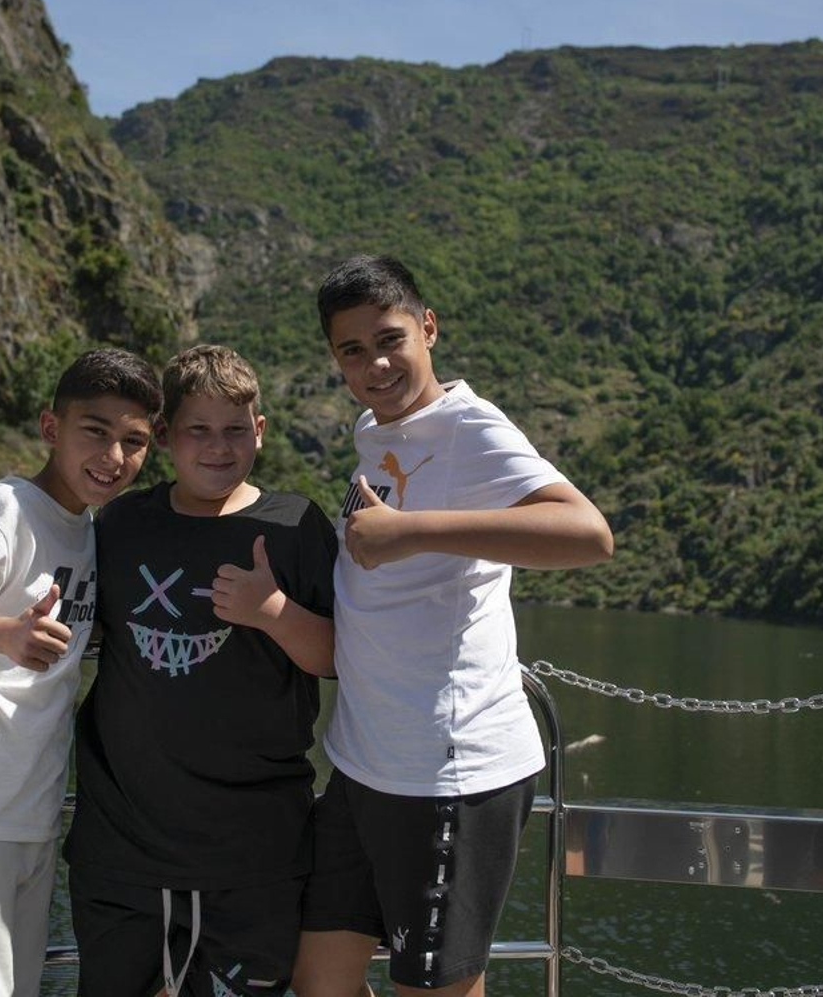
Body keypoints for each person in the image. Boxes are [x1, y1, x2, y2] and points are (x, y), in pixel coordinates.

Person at [293, 255, 613, 997]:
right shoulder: (375, 430)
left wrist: (414, 530)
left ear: (428, 328)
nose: (375, 363)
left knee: (435, 990)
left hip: (448, 773)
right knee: (318, 977)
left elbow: (586, 532)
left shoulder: (470, 426)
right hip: (362, 763)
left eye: (390, 338)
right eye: (352, 349)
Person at [64, 344, 338, 997]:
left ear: (260, 431)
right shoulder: (123, 521)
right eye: (199, 430)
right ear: (165, 437)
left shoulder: (296, 525)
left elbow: (340, 657)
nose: (219, 447)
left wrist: (272, 612)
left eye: (235, 430)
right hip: (123, 848)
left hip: (255, 853)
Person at [0, 348, 160, 996]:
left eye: (133, 441)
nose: (113, 456)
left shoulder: (82, 524)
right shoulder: (3, 512)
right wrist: (3, 634)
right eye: (96, 431)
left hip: (33, 803)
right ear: (51, 427)